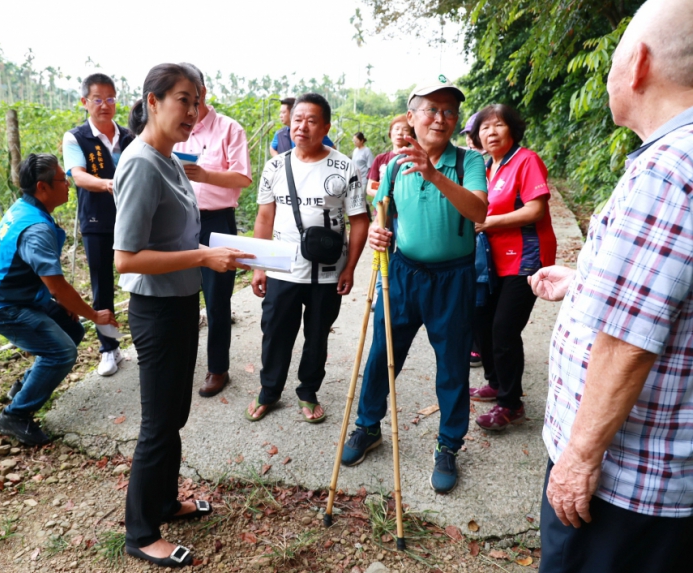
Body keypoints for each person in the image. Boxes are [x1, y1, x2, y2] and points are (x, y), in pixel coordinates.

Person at [529, 1, 693, 571]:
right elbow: (667, 298)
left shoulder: (669, 168)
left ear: (639, 64)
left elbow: (628, 341)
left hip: (628, 478)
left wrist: (578, 458)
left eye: (613, 61)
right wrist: (586, 284)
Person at [113, 64, 253, 568]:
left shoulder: (171, 160)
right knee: (157, 422)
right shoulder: (140, 163)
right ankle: (140, 532)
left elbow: (174, 235)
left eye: (197, 102)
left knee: (176, 413)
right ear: (152, 101)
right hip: (154, 307)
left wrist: (218, 250)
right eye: (181, 100)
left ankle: (166, 501)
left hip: (179, 302)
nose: (192, 113)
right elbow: (126, 259)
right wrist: (201, 257)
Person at [340, 74, 489, 495]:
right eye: (431, 109)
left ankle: (448, 444)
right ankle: (368, 427)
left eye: (449, 111)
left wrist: (435, 174)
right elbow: (382, 209)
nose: (440, 118)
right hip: (402, 273)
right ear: (412, 116)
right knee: (382, 354)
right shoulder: (391, 164)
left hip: (454, 278)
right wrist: (378, 232)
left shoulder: (468, 162)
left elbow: (478, 209)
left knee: (453, 365)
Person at [0, 154, 118, 446]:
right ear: (42, 187)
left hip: (21, 295)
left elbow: (50, 284)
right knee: (62, 352)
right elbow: (57, 286)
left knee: (71, 330)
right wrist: (95, 315)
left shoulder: (27, 209)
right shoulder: (36, 229)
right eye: (61, 180)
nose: (67, 184)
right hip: (4, 306)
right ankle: (15, 415)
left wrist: (72, 309)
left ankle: (25, 386)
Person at [247, 93, 369, 423]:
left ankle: (307, 390)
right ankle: (269, 390)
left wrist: (351, 267)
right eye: (297, 119)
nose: (302, 126)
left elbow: (359, 220)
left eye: (312, 120)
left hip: (327, 272)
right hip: (281, 268)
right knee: (274, 333)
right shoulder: (275, 166)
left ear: (325, 126)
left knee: (317, 335)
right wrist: (259, 266)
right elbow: (264, 219)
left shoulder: (344, 166)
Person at [467, 104, 556, 428]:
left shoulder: (526, 161)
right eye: (484, 127)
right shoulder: (489, 169)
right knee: (483, 323)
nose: (491, 132)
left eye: (498, 125)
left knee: (504, 328)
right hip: (492, 263)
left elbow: (534, 211)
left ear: (513, 129)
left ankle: (510, 403)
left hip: (526, 259)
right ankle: (495, 381)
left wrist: (487, 222)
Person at [173, 63, 252, 398]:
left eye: (193, 95)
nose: (189, 105)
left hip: (217, 221)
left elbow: (242, 178)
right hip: (178, 221)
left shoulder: (228, 129)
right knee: (180, 296)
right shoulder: (175, 130)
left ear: (203, 92)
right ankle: (180, 365)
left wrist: (204, 175)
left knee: (217, 300)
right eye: (181, 97)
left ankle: (217, 369)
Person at [62, 73, 134, 376]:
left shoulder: (130, 136)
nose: (105, 105)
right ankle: (109, 349)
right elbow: (77, 175)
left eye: (111, 99)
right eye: (98, 99)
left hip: (133, 219)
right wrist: (108, 184)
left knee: (142, 279)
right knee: (101, 285)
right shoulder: (76, 137)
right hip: (97, 221)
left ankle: (145, 340)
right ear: (85, 102)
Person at [365, 115, 414, 198]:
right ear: (390, 133)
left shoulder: (414, 159)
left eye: (405, 130)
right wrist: (386, 197)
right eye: (396, 129)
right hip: (382, 209)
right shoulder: (380, 158)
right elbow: (370, 188)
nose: (399, 133)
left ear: (412, 135)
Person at [270, 96, 335, 156]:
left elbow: (333, 150)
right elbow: (272, 148)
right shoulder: (279, 134)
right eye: (280, 112)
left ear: (292, 112)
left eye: (283, 112)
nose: (280, 116)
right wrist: (281, 162)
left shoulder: (316, 133)